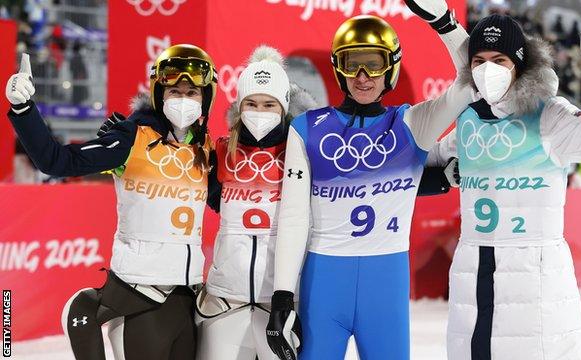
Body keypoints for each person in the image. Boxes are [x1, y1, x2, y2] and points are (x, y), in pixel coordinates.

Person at [265, 1, 472, 358]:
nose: (362, 75)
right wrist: (283, 294)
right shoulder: (307, 129)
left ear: (390, 67)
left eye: (373, 63)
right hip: (324, 283)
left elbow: (473, 81)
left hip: (385, 283)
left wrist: (445, 24)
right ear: (338, 68)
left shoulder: (413, 124)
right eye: (351, 62)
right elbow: (295, 217)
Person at [426, 14, 581, 360]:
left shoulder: (549, 116)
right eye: (478, 61)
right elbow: (425, 163)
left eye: (499, 60)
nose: (487, 70)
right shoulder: (469, 118)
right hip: (473, 277)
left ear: (519, 65)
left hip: (535, 278)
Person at [5, 44, 217, 359]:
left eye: (192, 92)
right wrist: (24, 109)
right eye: (174, 91)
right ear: (159, 94)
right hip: (139, 298)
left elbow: (232, 204)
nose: (183, 100)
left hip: (186, 299)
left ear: (205, 98)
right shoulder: (131, 139)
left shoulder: (206, 151)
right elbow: (57, 161)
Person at [195, 46, 316, 360]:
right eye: (251, 103)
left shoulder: (300, 154)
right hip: (224, 301)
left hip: (280, 301)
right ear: (239, 106)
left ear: (283, 107)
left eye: (268, 104)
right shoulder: (222, 151)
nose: (259, 111)